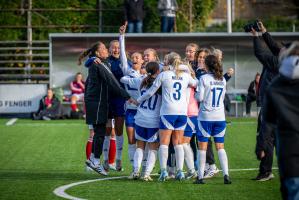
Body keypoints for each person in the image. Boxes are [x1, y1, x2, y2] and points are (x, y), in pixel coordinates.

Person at [135, 55, 197, 182]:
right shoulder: (186, 76)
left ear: (168, 63)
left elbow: (151, 92)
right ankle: (180, 171)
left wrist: (138, 100)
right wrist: (187, 69)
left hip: (168, 112)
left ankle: (163, 171)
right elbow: (196, 83)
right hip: (182, 113)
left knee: (164, 143)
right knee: (178, 143)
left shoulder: (164, 75)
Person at [78, 41, 132, 176]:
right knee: (100, 132)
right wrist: (127, 96)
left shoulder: (102, 62)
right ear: (97, 53)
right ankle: (95, 161)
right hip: (96, 103)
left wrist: (90, 59)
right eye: (103, 48)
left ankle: (94, 159)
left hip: (101, 103)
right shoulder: (98, 64)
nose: (106, 50)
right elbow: (112, 81)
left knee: (100, 132)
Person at [262, 42, 299, 200]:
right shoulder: (274, 87)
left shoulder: (275, 86)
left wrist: (261, 144)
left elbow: (268, 120)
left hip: (290, 155)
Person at [251, 21, 282, 181]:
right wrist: (263, 32)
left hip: (272, 106)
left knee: (266, 139)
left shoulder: (277, 62)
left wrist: (256, 36)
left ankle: (266, 171)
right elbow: (275, 47)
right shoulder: (287, 61)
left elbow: (260, 53)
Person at [194, 55, 231, 185]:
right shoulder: (222, 79)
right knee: (220, 147)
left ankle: (200, 177)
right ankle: (226, 175)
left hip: (205, 117)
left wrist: (195, 93)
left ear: (207, 65)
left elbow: (199, 98)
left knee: (202, 147)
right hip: (220, 117)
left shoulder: (203, 78)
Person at [121, 61, 161, 181]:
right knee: (153, 148)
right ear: (158, 71)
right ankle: (146, 174)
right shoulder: (161, 83)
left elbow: (124, 80)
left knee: (140, 146)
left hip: (140, 118)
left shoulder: (141, 80)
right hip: (153, 120)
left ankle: (135, 171)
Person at [119, 23, 144, 175]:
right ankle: (135, 169)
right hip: (130, 111)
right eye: (133, 57)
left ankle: (145, 166)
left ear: (142, 61)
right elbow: (122, 54)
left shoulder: (146, 76)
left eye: (137, 57)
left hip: (144, 112)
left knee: (144, 142)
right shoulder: (127, 70)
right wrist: (122, 36)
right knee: (131, 140)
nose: (134, 58)